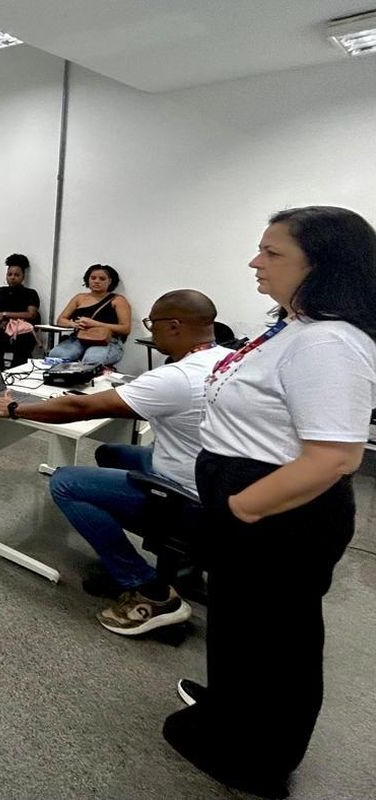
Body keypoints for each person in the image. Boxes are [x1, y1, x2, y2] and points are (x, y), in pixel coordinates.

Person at [161, 207, 376, 799]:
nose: (256, 262)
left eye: (272, 253)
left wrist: (243, 508)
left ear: (322, 265)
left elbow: (333, 457)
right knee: (243, 626)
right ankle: (230, 710)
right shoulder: (292, 325)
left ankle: (259, 758)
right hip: (250, 500)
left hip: (281, 512)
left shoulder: (329, 342)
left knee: (279, 640)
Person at [0, 290, 233, 635]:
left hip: (186, 494)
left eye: (152, 324)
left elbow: (80, 408)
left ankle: (150, 591)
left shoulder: (177, 377)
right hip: (213, 478)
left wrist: (14, 408)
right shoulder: (229, 357)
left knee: (65, 483)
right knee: (111, 453)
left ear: (174, 326)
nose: (149, 332)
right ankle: (175, 561)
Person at [49, 264, 132, 366]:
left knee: (92, 359)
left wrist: (94, 323)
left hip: (107, 341)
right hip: (79, 338)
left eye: (102, 279)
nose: (96, 281)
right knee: (56, 355)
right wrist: (74, 324)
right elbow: (61, 320)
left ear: (110, 281)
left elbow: (125, 328)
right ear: (88, 279)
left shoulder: (118, 300)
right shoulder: (79, 298)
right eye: (93, 278)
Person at [0, 253, 41, 367]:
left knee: (22, 346)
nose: (12, 277)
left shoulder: (30, 293)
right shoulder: (1, 291)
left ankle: (16, 377)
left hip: (23, 332)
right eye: (9, 274)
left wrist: (6, 315)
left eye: (17, 275)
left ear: (23, 277)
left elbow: (31, 314)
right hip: (3, 329)